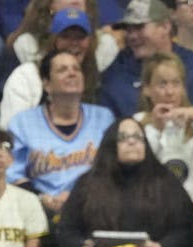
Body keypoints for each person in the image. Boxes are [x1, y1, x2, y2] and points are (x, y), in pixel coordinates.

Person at [57, 117, 193, 247]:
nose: (132, 141)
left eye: (138, 137)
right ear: (110, 145)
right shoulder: (88, 183)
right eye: (123, 138)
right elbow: (67, 230)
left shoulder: (166, 182)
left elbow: (186, 230)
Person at [7, 48, 115, 219]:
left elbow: (113, 170)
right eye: (62, 70)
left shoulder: (103, 118)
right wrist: (43, 199)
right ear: (47, 84)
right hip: (38, 212)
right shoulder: (22, 123)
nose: (72, 73)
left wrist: (78, 196)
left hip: (95, 208)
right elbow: (12, 174)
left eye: (76, 69)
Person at [100, 0, 193, 131]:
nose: (132, 36)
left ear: (165, 27)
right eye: (128, 30)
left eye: (139, 27)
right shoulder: (115, 78)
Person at [134, 51, 193, 238]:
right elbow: (137, 176)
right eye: (162, 84)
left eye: (176, 83)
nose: (170, 92)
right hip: (152, 215)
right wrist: (155, 129)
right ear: (146, 89)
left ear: (184, 88)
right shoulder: (137, 124)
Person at [0, 6, 105, 129]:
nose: (74, 43)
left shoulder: (96, 77)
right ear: (53, 41)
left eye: (80, 37)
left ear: (90, 41)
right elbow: (10, 129)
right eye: (66, 36)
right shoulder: (27, 75)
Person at [8, 0, 118, 70]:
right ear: (49, 4)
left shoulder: (105, 44)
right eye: (65, 36)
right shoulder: (27, 44)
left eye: (80, 36)